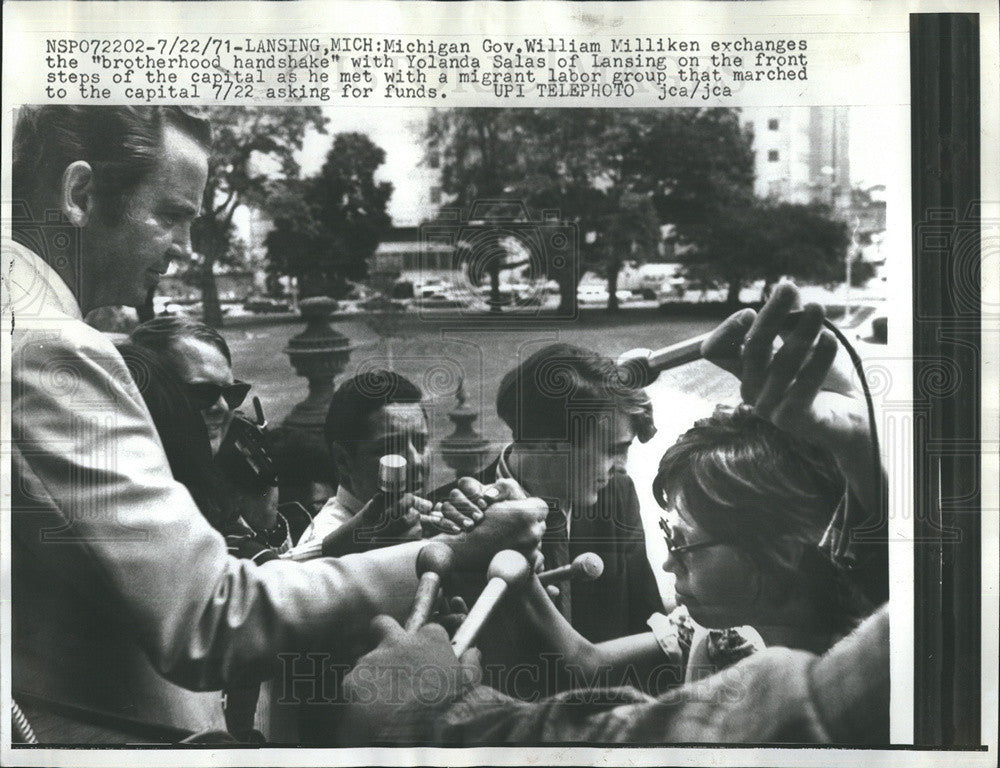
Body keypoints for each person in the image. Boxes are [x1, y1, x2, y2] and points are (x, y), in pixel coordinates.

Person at [7, 105, 547, 743]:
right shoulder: (52, 347)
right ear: (81, 194)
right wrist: (453, 553)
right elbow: (210, 618)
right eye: (172, 215)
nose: (184, 247)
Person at [432, 343, 664, 647]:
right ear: (550, 442)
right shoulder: (451, 518)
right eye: (611, 450)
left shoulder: (618, 494)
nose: (621, 468)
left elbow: (648, 618)